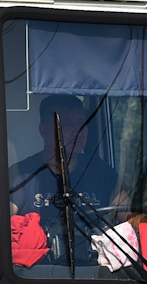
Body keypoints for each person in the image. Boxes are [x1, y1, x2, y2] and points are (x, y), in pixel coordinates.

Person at [7, 94, 122, 268]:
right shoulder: (22, 175)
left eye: (82, 123)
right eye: (67, 124)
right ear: (44, 131)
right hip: (35, 276)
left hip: (96, 273)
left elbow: (128, 213)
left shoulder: (101, 171)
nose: (78, 131)